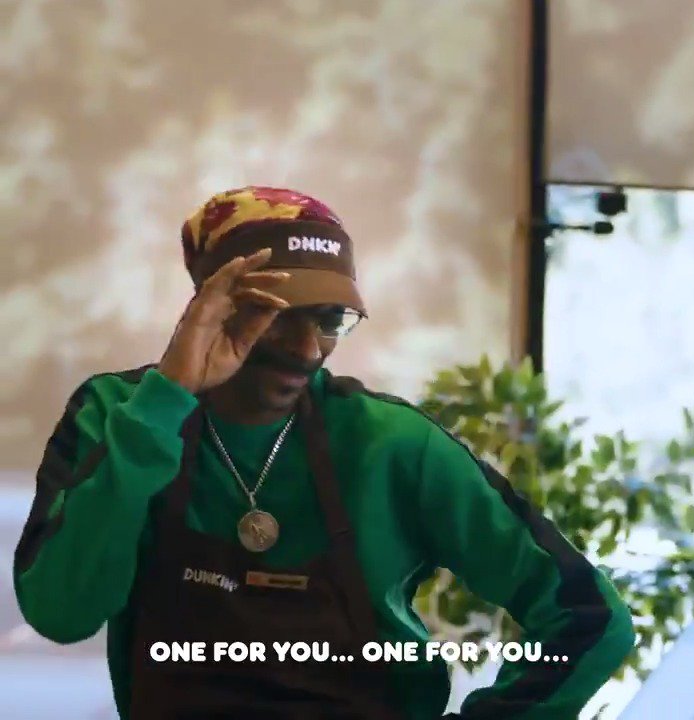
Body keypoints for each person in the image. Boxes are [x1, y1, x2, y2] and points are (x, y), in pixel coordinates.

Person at [14, 186, 635, 720]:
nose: (309, 349)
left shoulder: (390, 444)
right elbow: (62, 612)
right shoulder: (119, 415)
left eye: (331, 320)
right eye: (279, 315)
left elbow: (589, 619)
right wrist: (166, 400)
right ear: (210, 304)